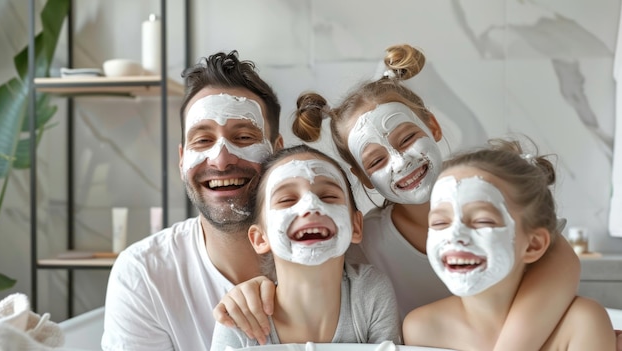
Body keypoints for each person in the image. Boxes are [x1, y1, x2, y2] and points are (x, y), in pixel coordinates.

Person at [213, 43, 583, 351]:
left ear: (433, 126)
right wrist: (259, 286)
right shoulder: (368, 241)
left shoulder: (494, 191)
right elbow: (308, 272)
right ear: (365, 179)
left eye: (406, 138)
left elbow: (558, 258)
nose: (401, 160)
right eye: (375, 160)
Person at [101, 50, 283, 351]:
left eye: (243, 137)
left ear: (278, 152)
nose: (221, 160)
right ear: (182, 158)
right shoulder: (145, 275)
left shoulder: (332, 253)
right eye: (203, 140)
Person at [403, 137, 616, 350]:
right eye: (440, 223)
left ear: (533, 245)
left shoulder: (582, 323)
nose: (455, 235)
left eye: (482, 221)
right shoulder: (423, 327)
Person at [209, 145, 401, 350]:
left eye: (328, 197)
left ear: (355, 226)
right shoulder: (241, 317)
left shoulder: (370, 293)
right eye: (287, 200)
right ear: (260, 239)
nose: (311, 205)